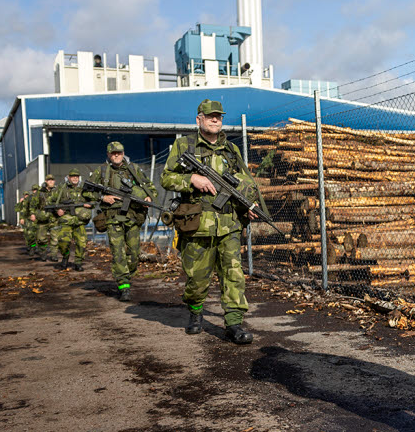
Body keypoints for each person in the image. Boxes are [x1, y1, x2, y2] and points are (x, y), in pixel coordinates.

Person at [160, 99, 266, 345]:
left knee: (233, 274)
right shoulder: (183, 145)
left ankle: (234, 323)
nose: (215, 120)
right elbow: (166, 178)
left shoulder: (231, 150)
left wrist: (250, 206)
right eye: (210, 116)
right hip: (197, 224)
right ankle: (196, 312)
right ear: (199, 120)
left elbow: (246, 183)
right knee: (197, 278)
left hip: (229, 223)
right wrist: (191, 180)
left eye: (218, 116)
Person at [88, 142, 157, 301]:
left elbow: (149, 187)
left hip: (132, 217)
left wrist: (148, 197)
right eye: (113, 153)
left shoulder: (134, 169)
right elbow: (86, 192)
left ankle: (128, 275)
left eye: (119, 152)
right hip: (113, 219)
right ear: (108, 155)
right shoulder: (102, 171)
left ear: (123, 153)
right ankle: (123, 284)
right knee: (118, 253)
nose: (116, 155)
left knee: (133, 253)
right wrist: (103, 197)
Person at [48, 169, 92, 271]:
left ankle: (78, 262)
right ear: (68, 178)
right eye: (73, 176)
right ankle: (65, 256)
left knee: (82, 243)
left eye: (77, 176)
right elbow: (51, 201)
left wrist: (88, 205)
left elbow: (93, 201)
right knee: (63, 241)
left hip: (79, 222)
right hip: (66, 221)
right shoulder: (61, 188)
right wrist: (57, 210)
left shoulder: (84, 189)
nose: (75, 178)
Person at [34, 175, 60, 262]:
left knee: (55, 239)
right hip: (43, 218)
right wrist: (32, 214)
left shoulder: (57, 191)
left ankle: (54, 255)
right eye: (49, 180)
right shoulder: (40, 192)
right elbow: (33, 204)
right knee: (41, 239)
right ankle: (43, 253)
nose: (51, 182)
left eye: (52, 180)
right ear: (46, 181)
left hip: (54, 218)